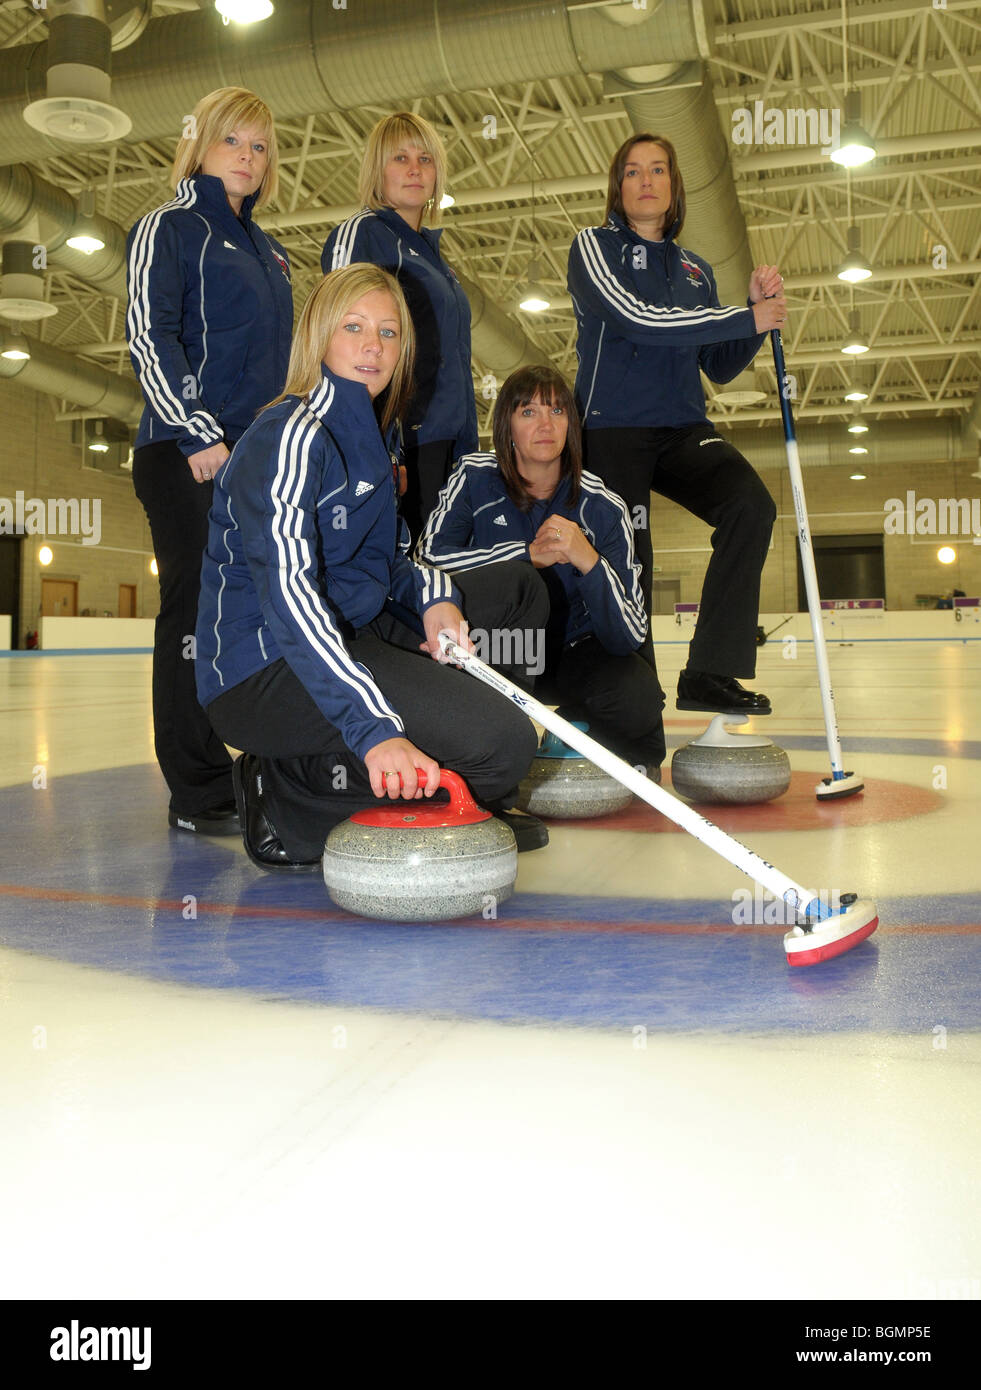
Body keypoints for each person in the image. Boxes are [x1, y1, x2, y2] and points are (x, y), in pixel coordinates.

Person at [195, 264, 549, 871]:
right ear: (319, 337)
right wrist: (373, 728)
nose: (372, 346)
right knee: (503, 747)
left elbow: (392, 562)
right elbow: (289, 596)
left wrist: (437, 599)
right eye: (354, 326)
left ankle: (473, 784)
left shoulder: (376, 439)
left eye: (388, 333)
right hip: (263, 668)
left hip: (351, 629)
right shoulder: (288, 437)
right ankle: (289, 793)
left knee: (518, 588)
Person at [567, 132, 787, 716]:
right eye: (633, 171)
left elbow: (717, 364)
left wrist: (754, 322)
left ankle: (711, 671)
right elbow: (638, 320)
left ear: (672, 185)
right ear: (618, 187)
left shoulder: (695, 269)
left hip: (682, 426)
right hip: (612, 428)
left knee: (750, 506)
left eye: (658, 169)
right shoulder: (594, 246)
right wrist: (741, 315)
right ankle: (631, 698)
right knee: (629, 556)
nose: (646, 180)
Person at [126, 86, 293, 835]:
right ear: (200, 146)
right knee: (192, 616)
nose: (248, 158)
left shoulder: (269, 249)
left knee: (258, 613)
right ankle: (195, 787)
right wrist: (197, 433)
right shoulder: (170, 225)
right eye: (234, 141)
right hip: (183, 451)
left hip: (249, 460)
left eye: (259, 146)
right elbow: (148, 335)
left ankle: (259, 759)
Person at [418, 365, 666, 776]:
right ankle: (497, 745)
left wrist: (589, 560)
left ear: (572, 423)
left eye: (557, 411)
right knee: (516, 586)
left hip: (572, 653)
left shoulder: (603, 505)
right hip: (502, 645)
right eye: (528, 412)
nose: (546, 425)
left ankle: (570, 725)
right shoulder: (474, 477)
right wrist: (524, 554)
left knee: (637, 703)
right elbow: (427, 559)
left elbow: (632, 633)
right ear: (506, 425)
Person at [322, 112, 477, 543]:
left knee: (443, 566)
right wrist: (368, 439)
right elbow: (335, 338)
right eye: (400, 158)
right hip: (400, 437)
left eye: (425, 159)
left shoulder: (434, 258)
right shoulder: (362, 235)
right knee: (405, 567)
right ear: (377, 170)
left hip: (450, 439)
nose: (415, 168)